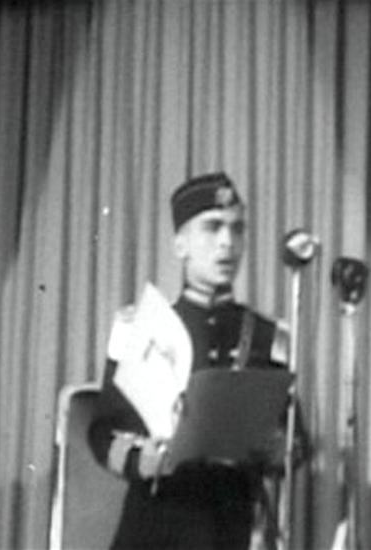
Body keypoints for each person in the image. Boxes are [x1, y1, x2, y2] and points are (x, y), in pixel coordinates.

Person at [88, 172, 290, 550]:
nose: (227, 242)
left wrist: (278, 449)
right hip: (156, 521)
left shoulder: (269, 336)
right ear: (180, 244)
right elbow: (103, 431)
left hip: (230, 525)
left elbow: (296, 438)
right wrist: (140, 459)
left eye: (237, 229)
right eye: (212, 228)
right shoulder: (139, 327)